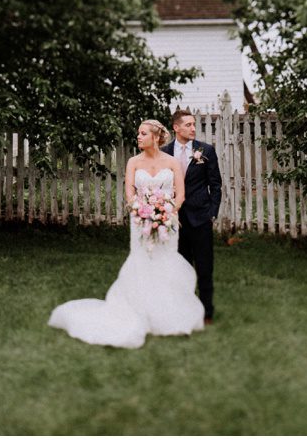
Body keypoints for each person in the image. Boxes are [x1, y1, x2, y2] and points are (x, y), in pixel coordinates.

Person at [47, 120, 205, 348]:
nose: (138, 137)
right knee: (142, 262)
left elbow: (180, 194)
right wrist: (144, 211)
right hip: (140, 219)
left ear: (156, 137)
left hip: (167, 221)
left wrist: (165, 210)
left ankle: (167, 314)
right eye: (138, 134)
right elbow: (130, 194)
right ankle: (138, 309)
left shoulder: (172, 162)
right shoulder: (133, 162)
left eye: (143, 134)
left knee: (165, 262)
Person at [161, 109, 221, 324]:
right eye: (188, 125)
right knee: (179, 268)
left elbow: (216, 185)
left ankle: (206, 313)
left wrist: (212, 214)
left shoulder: (206, 151)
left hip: (201, 218)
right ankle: (182, 310)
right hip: (174, 220)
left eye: (194, 124)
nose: (193, 128)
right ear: (176, 128)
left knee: (204, 267)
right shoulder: (164, 153)